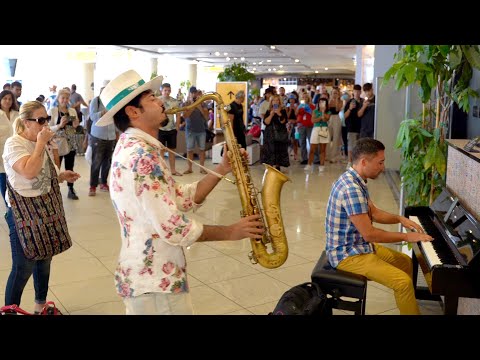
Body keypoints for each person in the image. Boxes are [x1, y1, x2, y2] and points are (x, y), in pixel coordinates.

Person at [94, 70, 264, 315]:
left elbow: (179, 197)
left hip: (150, 278)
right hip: (154, 284)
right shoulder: (141, 156)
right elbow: (173, 228)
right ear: (133, 112)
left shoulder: (137, 148)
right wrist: (232, 231)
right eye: (152, 98)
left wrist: (223, 168)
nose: (161, 101)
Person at [325, 138, 433, 315]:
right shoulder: (351, 189)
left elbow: (373, 213)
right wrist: (407, 236)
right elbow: (370, 234)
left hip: (358, 246)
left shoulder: (356, 179)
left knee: (405, 262)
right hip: (346, 254)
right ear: (364, 162)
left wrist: (400, 219)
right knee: (403, 282)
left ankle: (408, 306)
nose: (383, 167)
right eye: (380, 162)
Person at [2, 100, 80, 313]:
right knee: (23, 266)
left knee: (44, 258)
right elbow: (28, 171)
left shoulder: (41, 142)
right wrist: (39, 144)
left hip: (44, 211)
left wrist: (61, 176)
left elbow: (44, 174)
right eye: (41, 120)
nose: (46, 124)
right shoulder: (14, 143)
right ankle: (10, 310)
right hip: (22, 214)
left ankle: (40, 305)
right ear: (26, 122)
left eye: (47, 119)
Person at [88, 80, 116, 196]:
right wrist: (103, 112)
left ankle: (104, 182)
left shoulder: (114, 102)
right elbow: (92, 116)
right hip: (98, 136)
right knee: (96, 162)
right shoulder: (96, 101)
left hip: (111, 136)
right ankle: (93, 186)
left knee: (107, 162)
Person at [158, 82, 182, 176]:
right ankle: (162, 171)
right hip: (161, 129)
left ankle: (173, 170)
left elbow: (178, 114)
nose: (167, 92)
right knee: (161, 151)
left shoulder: (174, 101)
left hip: (172, 129)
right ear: (161, 90)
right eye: (165, 90)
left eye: (168, 90)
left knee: (172, 151)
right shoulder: (157, 101)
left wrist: (177, 126)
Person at [0, 90, 20, 206]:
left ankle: (16, 206)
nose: (7, 101)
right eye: (4, 98)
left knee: (15, 179)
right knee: (3, 180)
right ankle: (9, 208)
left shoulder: (17, 114)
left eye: (9, 99)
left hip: (16, 152)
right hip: (1, 153)